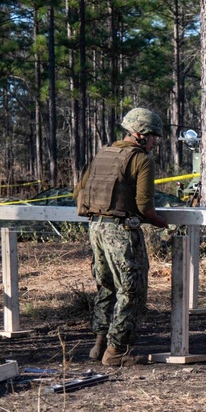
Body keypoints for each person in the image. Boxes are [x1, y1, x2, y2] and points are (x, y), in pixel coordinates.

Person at [75, 108, 169, 366]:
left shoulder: (102, 154)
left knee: (106, 287)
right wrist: (165, 224)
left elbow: (79, 193)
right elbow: (144, 206)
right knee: (131, 289)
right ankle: (117, 351)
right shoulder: (141, 160)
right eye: (152, 136)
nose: (154, 142)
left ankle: (99, 345)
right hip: (121, 232)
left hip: (96, 229)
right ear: (139, 134)